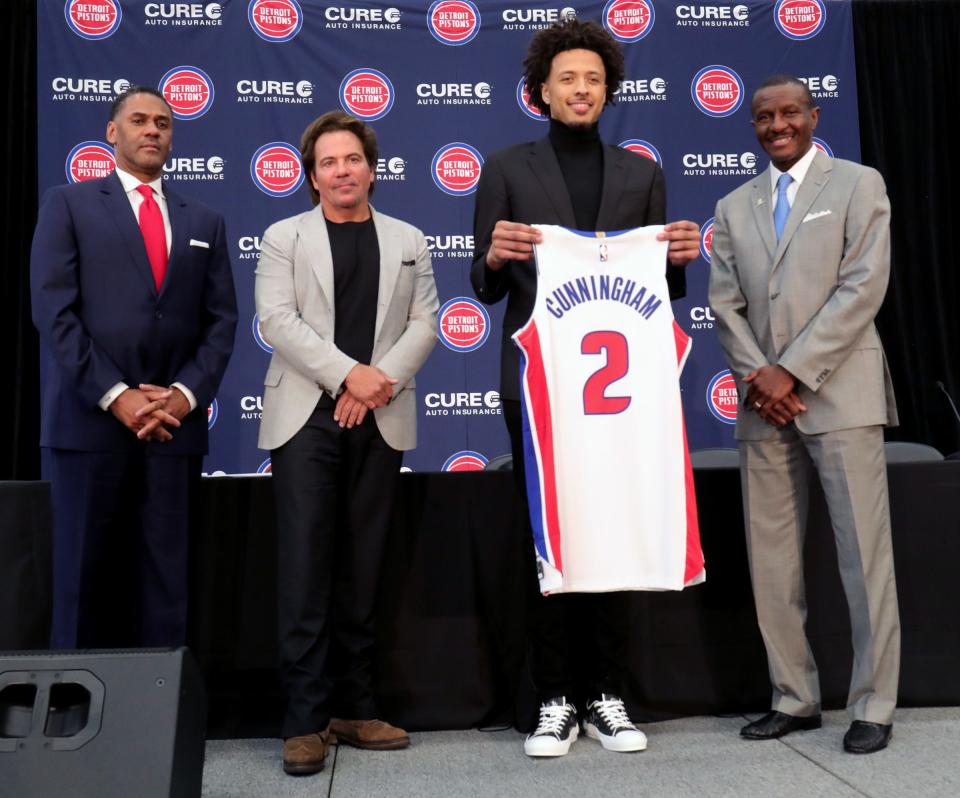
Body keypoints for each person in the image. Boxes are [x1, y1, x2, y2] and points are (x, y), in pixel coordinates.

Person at [471, 19, 701, 757]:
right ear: (542, 91)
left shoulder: (642, 175)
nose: (581, 89)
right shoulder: (506, 166)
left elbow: (659, 290)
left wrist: (680, 257)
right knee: (551, 535)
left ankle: (606, 692)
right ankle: (553, 696)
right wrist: (496, 255)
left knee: (615, 527)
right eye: (567, 78)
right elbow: (481, 285)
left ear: (609, 91)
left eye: (593, 78)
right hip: (539, 388)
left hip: (621, 395)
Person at [709, 74, 900, 755]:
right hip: (765, 409)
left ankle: (874, 702)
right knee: (773, 564)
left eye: (790, 112)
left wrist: (792, 370)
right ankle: (794, 697)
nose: (777, 124)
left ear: (813, 116)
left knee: (863, 558)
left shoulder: (858, 184)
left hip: (838, 396)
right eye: (764, 116)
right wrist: (762, 379)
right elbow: (723, 305)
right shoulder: (734, 205)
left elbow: (863, 286)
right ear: (754, 126)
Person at [255, 111, 438, 775]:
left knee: (365, 569)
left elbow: (427, 322)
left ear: (371, 167)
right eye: (328, 162)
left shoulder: (410, 238)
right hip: (307, 418)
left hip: (380, 416)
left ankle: (356, 709)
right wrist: (349, 376)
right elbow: (278, 320)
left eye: (352, 159)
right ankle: (304, 720)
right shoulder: (284, 237)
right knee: (306, 568)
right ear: (311, 176)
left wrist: (377, 383)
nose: (342, 171)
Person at [30, 86, 238, 649]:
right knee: (83, 581)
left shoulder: (207, 220)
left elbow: (222, 322)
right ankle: (76, 726)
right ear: (112, 132)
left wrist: (182, 396)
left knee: (168, 586)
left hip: (173, 429)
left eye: (164, 123)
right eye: (140, 120)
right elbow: (54, 312)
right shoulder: (68, 203)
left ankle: (161, 724)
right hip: (89, 426)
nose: (153, 130)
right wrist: (116, 394)